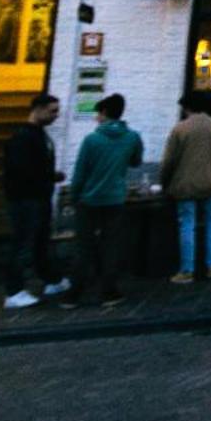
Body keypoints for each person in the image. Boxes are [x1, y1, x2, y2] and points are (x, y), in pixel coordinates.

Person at [60, 93, 143, 309]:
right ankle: (109, 291)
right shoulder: (132, 137)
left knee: (83, 246)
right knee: (111, 246)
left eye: (97, 113)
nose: (96, 118)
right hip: (115, 199)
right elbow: (136, 161)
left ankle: (74, 292)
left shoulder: (92, 140)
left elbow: (80, 172)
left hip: (89, 199)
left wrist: (74, 196)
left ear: (104, 113)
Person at [160, 93, 211, 283]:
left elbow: (169, 161)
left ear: (187, 108)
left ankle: (187, 269)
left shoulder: (180, 129)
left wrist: (164, 182)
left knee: (187, 224)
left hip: (185, 183)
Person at [2, 93, 69, 310]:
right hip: (26, 199)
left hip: (38, 198)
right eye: (52, 111)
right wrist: (50, 176)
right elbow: (21, 171)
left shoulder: (39, 135)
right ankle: (13, 292)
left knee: (39, 240)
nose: (56, 115)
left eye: (56, 111)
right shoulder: (23, 137)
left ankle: (51, 279)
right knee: (23, 243)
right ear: (38, 109)